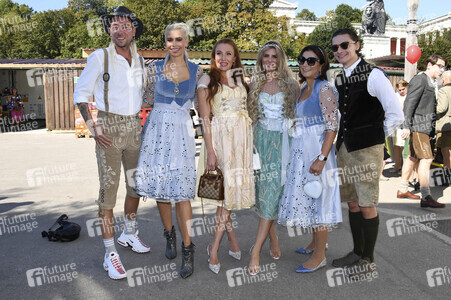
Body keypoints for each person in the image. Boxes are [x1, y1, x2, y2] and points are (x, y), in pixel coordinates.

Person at [73, 6, 149, 280]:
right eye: (115, 26)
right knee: (108, 192)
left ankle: (129, 234)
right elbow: (80, 94)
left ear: (133, 29)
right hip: (109, 128)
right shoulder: (99, 57)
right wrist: (92, 126)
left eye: (125, 26)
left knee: (135, 187)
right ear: (109, 30)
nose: (120, 30)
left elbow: (143, 96)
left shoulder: (140, 60)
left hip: (134, 127)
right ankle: (109, 253)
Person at [330, 29, 404, 273]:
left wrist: (374, 136)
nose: (340, 51)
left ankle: (368, 259)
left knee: (367, 204)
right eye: (335, 47)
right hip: (344, 147)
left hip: (367, 149)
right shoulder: (339, 78)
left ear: (356, 45)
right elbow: (341, 115)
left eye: (344, 45)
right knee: (352, 203)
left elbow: (395, 113)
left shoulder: (375, 75)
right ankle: (357, 251)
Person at [134, 23, 203, 279]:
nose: (174, 44)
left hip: (182, 135)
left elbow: (204, 105)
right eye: (170, 39)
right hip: (157, 132)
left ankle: (188, 246)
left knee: (183, 193)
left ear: (186, 41)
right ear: (165, 42)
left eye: (179, 39)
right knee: (162, 190)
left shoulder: (197, 71)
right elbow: (145, 99)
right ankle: (169, 234)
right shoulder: (153, 69)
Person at [278, 45, 342, 273]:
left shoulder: (324, 89)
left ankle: (320, 255)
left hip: (317, 153)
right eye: (302, 59)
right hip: (302, 152)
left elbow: (332, 127)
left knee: (320, 201)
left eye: (311, 61)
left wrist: (322, 158)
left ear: (322, 65)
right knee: (310, 197)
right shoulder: (304, 87)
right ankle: (315, 242)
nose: (305, 64)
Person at [196, 38, 255, 274]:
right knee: (225, 196)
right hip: (220, 143)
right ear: (213, 57)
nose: (223, 58)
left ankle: (230, 240)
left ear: (235, 57)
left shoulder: (241, 79)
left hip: (241, 143)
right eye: (218, 53)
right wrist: (210, 152)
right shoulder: (206, 80)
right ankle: (214, 249)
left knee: (226, 198)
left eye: (228, 54)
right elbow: (204, 121)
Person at [247, 41, 300, 275]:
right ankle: (273, 237)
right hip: (259, 142)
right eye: (266, 56)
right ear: (260, 59)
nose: (270, 60)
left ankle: (255, 250)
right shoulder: (254, 83)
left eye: (275, 56)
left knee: (271, 195)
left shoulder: (292, 85)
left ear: (281, 59)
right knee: (263, 194)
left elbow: (299, 117)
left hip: (282, 144)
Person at [400, 54, 447, 208]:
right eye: (439, 66)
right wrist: (406, 125)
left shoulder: (432, 82)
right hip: (420, 127)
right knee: (426, 159)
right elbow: (409, 103)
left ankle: (402, 189)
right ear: (429, 65)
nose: (442, 70)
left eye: (443, 67)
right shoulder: (420, 79)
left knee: (412, 158)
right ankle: (426, 196)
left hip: (425, 127)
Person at [391, 80, 409, 173]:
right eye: (400, 89)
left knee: (403, 147)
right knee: (396, 145)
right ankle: (397, 165)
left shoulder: (409, 96)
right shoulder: (396, 95)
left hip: (404, 124)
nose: (402, 91)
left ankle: (404, 168)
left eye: (403, 89)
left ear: (407, 87)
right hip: (396, 124)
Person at [436, 70, 451, 171]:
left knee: (445, 151)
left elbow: (441, 108)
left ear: (444, 79)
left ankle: (447, 173)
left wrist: (431, 108)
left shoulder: (443, 91)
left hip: (445, 124)